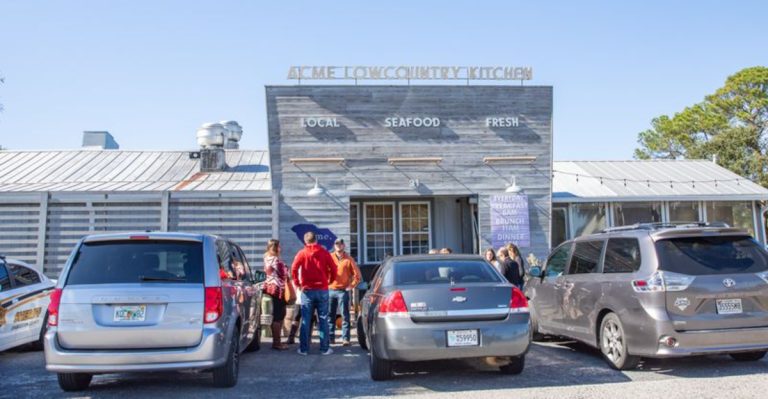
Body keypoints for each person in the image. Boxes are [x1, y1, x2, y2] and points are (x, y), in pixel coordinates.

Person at [291, 231, 337, 356]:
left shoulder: (302, 253)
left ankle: (304, 349)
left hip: (307, 290)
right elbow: (334, 268)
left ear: (305, 241)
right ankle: (324, 348)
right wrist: (330, 281)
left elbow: (294, 268)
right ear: (316, 240)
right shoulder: (324, 252)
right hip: (322, 289)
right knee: (323, 319)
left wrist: (298, 283)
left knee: (305, 319)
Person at [328, 238, 362, 346]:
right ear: (334, 246)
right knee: (330, 315)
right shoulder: (329, 257)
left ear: (344, 245)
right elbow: (322, 271)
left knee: (345, 316)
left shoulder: (349, 259)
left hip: (343, 291)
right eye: (336, 244)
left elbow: (357, 276)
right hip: (330, 290)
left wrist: (351, 286)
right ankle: (330, 338)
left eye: (340, 244)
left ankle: (345, 339)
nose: (338, 245)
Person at [263, 239, 289, 350]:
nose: (281, 248)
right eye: (279, 246)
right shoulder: (275, 260)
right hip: (278, 289)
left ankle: (276, 341)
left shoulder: (266, 258)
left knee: (277, 314)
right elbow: (283, 274)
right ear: (276, 247)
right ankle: (277, 343)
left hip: (270, 288)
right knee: (279, 315)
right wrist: (286, 268)